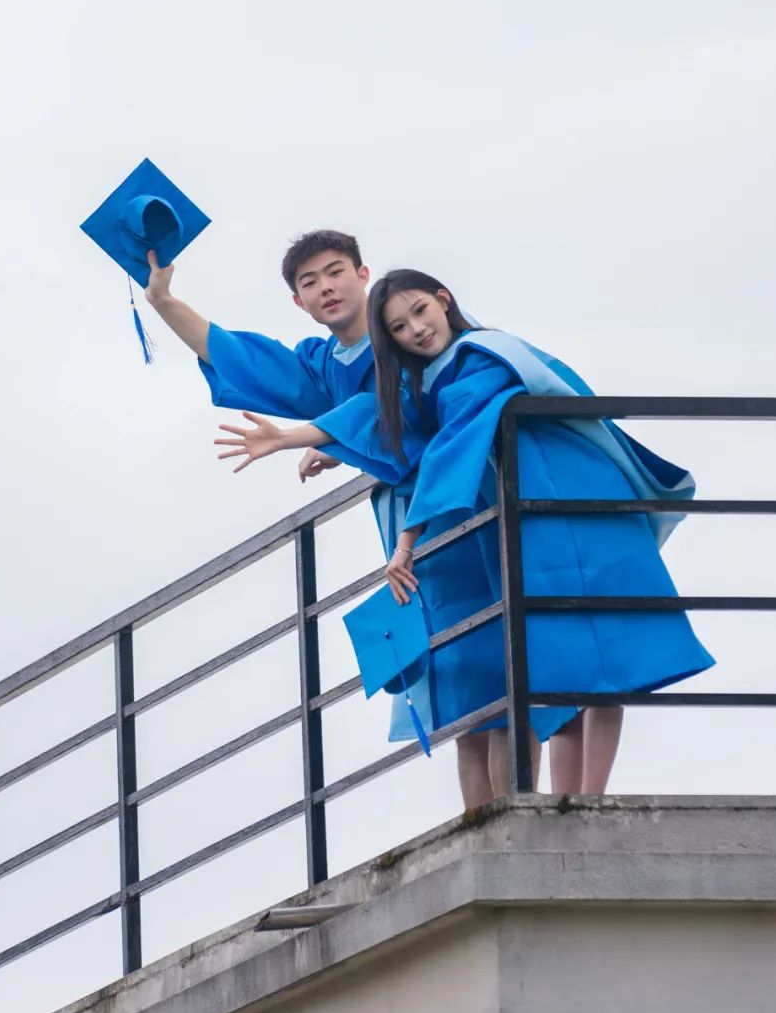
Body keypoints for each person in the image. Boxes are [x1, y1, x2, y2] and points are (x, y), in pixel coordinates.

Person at [214, 269, 715, 801]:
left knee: (609, 653)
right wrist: (312, 438)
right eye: (401, 328)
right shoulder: (433, 381)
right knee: (565, 658)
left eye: (421, 312)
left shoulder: (481, 358)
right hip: (534, 518)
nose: (417, 330)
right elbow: (381, 419)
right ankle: (574, 804)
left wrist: (404, 542)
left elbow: (451, 447)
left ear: (443, 300)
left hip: (577, 499)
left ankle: (588, 799)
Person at [143, 232, 563, 808]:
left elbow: (412, 416)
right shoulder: (325, 365)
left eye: (335, 271)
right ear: (299, 302)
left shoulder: (413, 340)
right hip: (410, 535)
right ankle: (483, 824)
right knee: (461, 693)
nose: (326, 287)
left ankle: (523, 815)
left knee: (505, 674)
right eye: (309, 282)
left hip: (470, 507)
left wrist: (324, 436)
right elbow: (243, 357)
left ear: (363, 273)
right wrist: (164, 302)